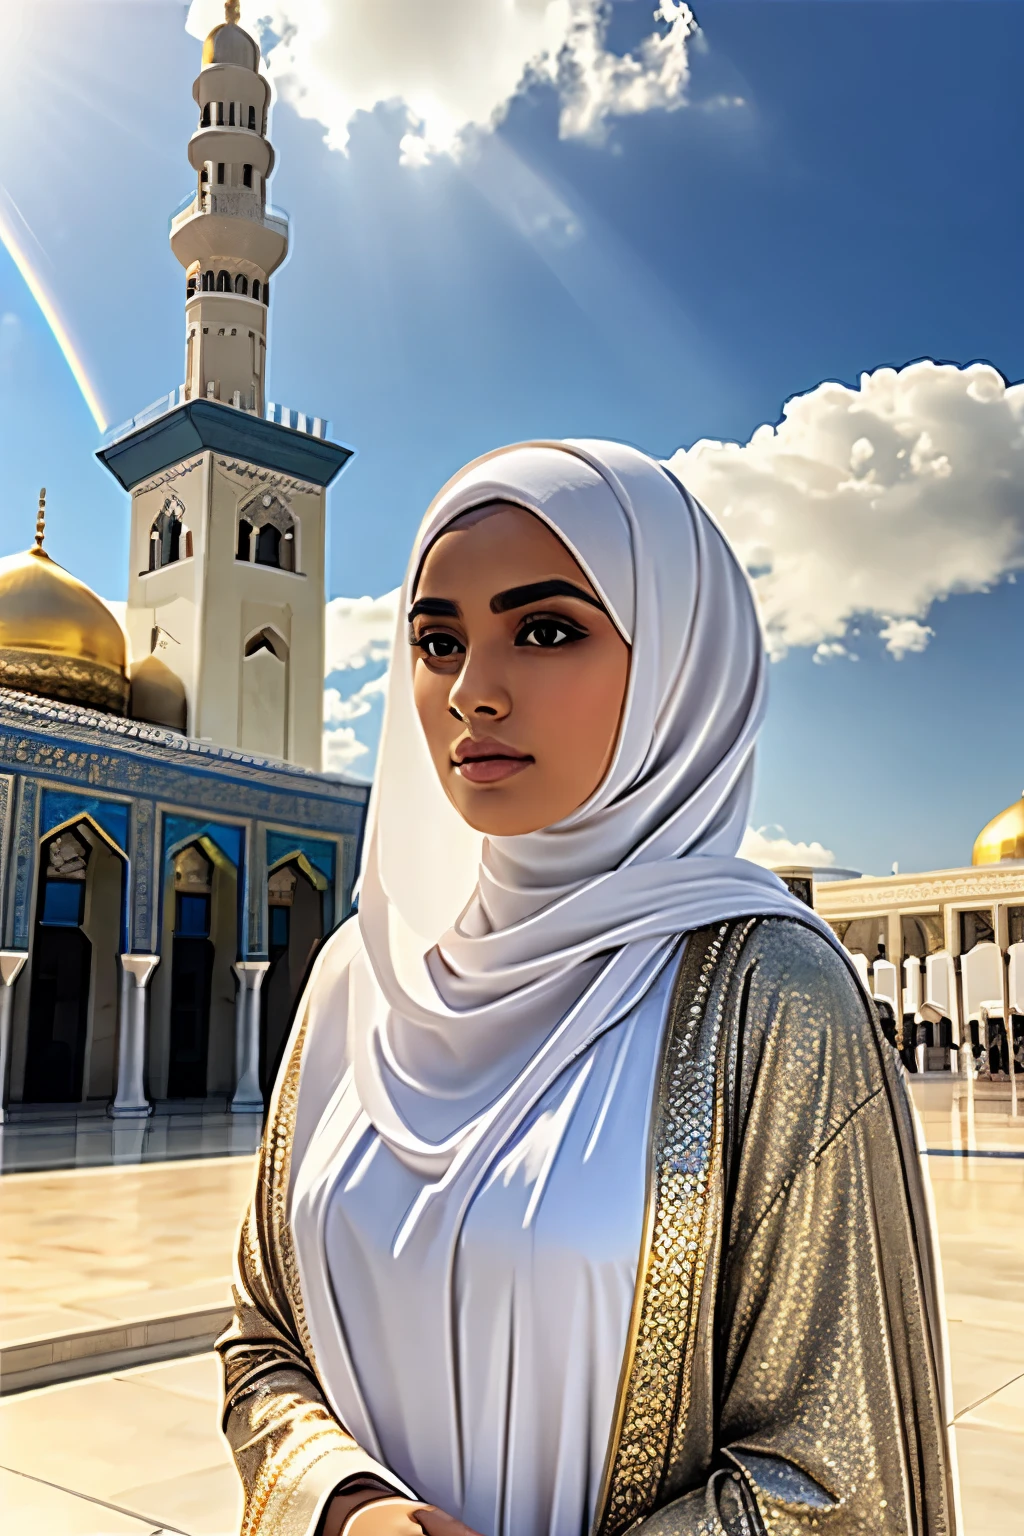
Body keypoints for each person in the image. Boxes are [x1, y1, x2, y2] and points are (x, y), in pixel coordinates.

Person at [217, 440, 955, 1536]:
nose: (471, 692)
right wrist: (349, 1508)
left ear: (676, 666)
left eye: (547, 630)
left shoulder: (762, 990)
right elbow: (263, 1339)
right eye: (435, 641)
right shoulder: (358, 981)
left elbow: (835, 1476)